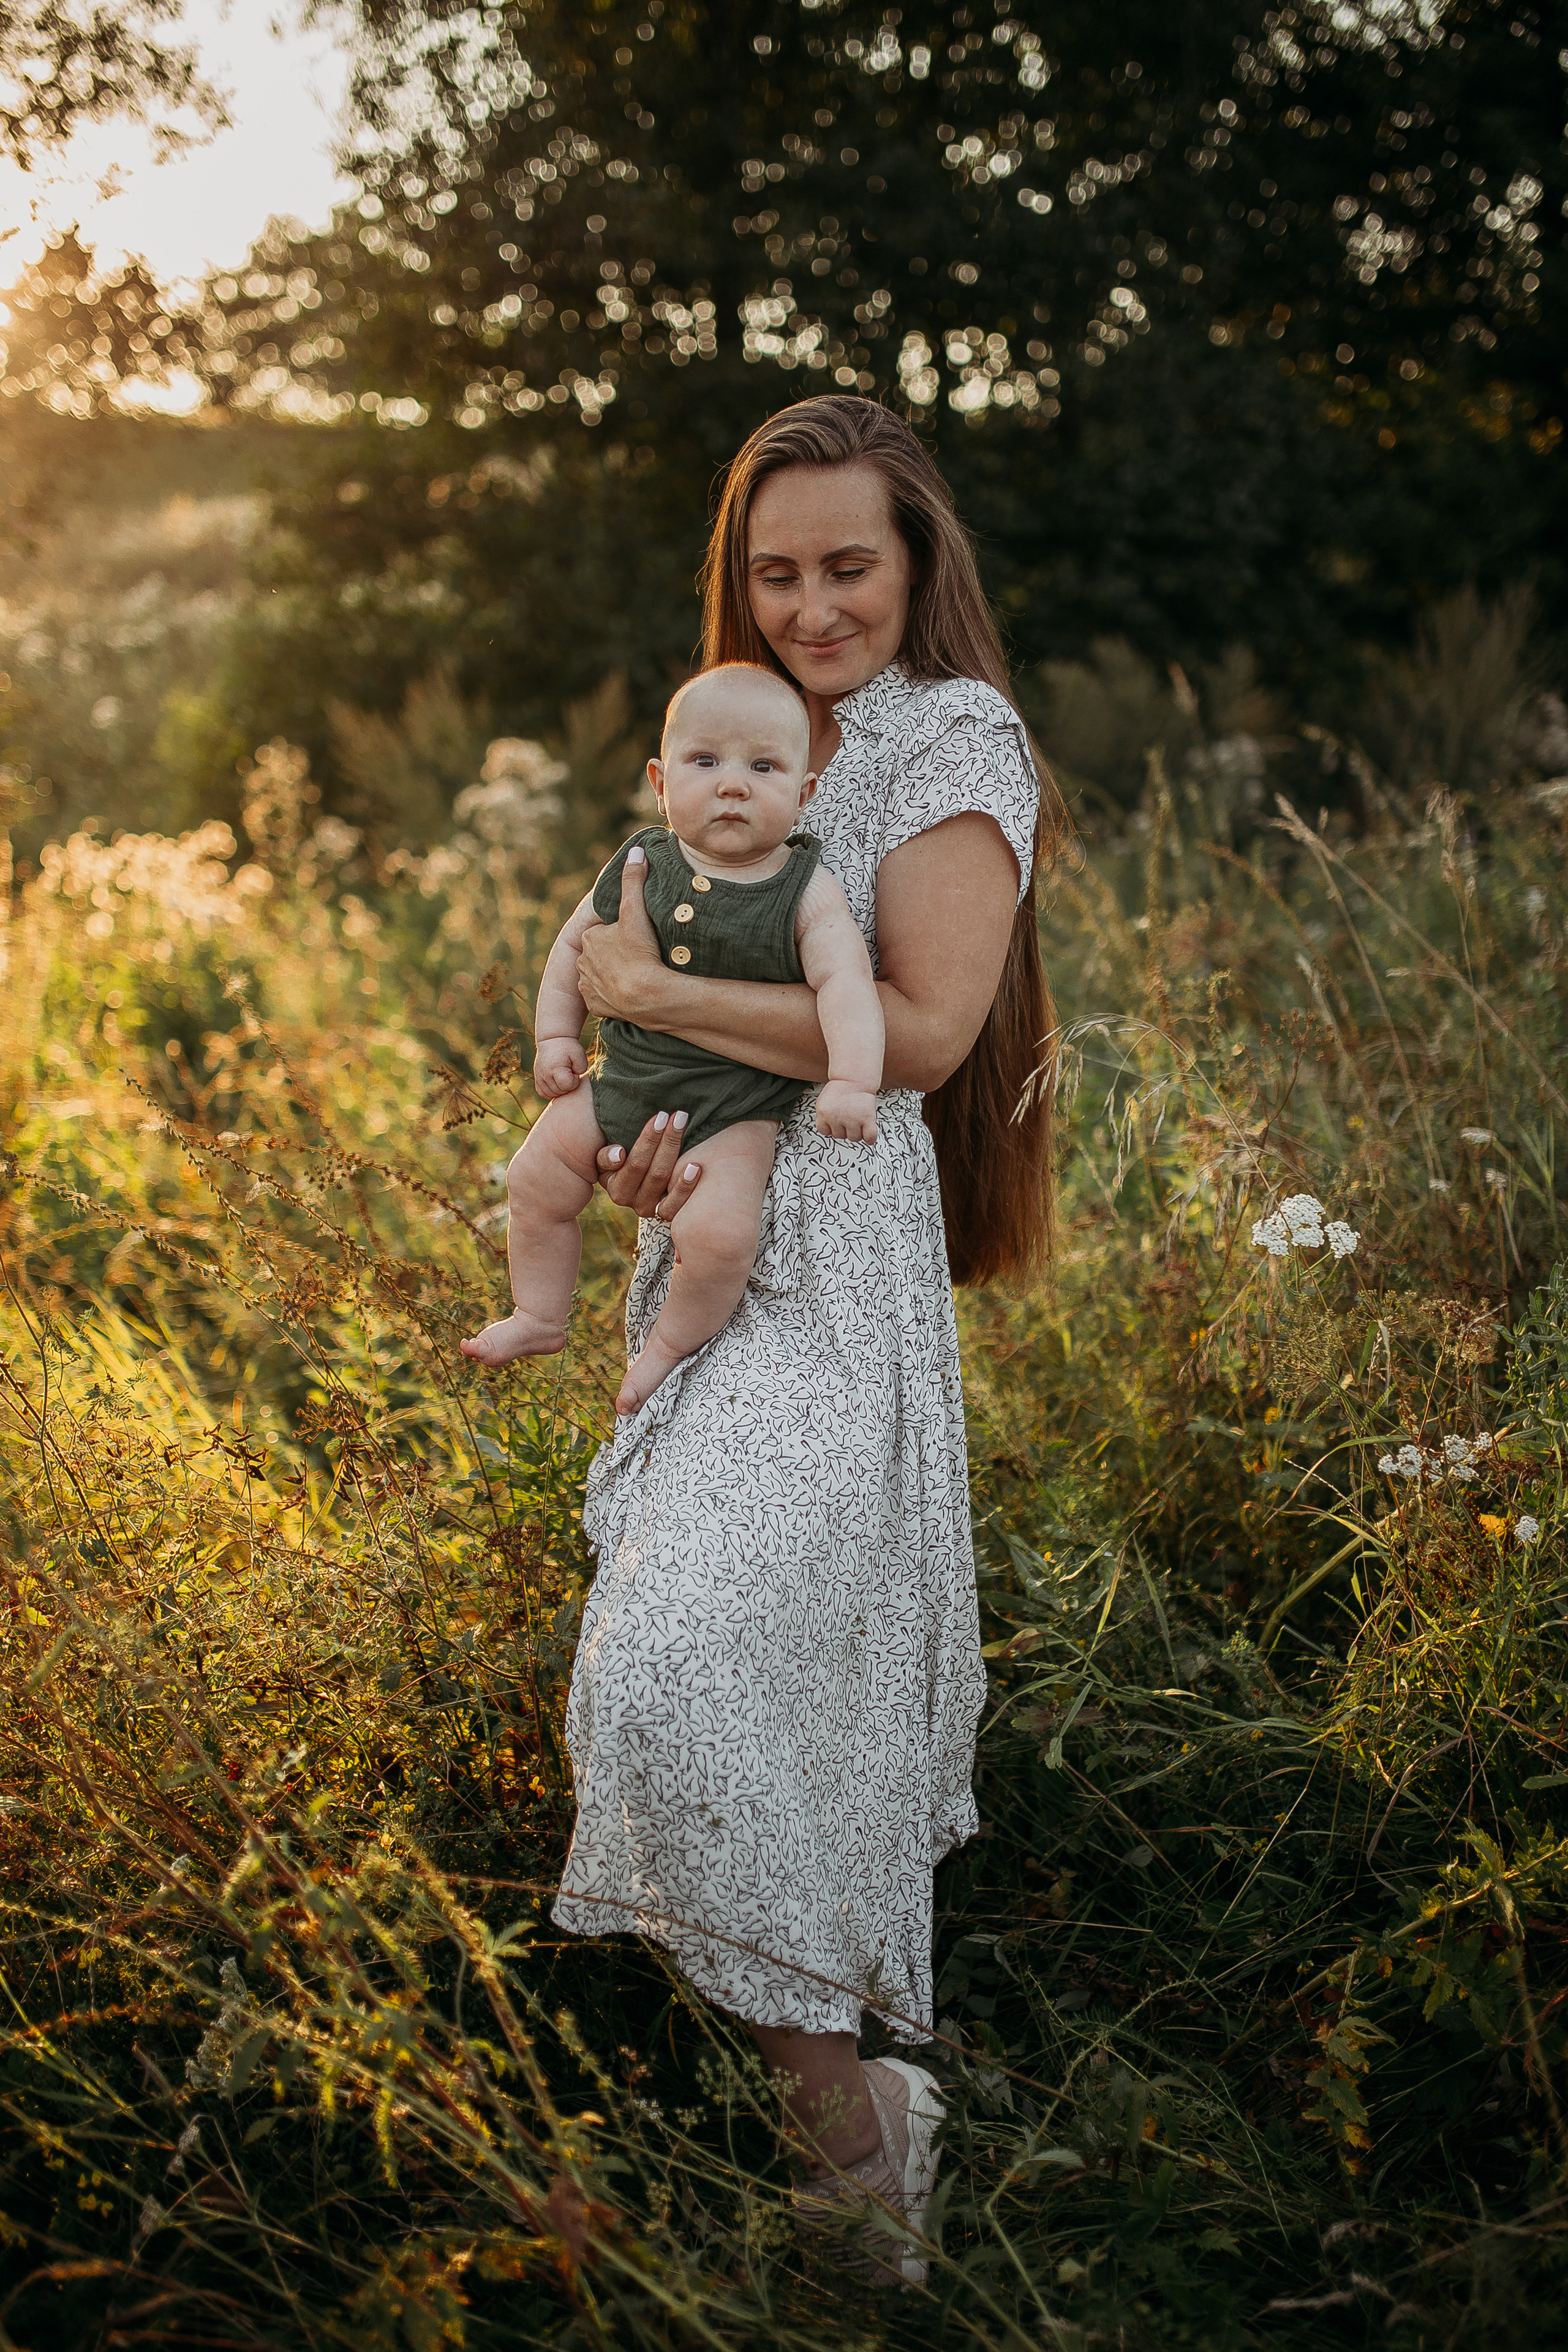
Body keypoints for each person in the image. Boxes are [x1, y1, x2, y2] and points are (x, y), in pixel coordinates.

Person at [552, 395, 1069, 2285]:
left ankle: (849, 2140)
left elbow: (923, 1032)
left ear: (917, 556)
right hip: (712, 1248)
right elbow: (645, 1015)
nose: (811, 603)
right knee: (666, 1658)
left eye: (846, 563)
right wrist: (640, 1123)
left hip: (842, 1289)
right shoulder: (741, 733)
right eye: (774, 572)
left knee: (689, 1662)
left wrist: (647, 985)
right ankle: (852, 2113)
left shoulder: (950, 738)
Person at [461, 663, 883, 1415]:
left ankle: (664, 1352)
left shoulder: (804, 889)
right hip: (620, 1082)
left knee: (720, 1240)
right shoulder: (642, 862)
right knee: (532, 1182)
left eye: (763, 766)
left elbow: (846, 985)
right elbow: (574, 949)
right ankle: (538, 1316)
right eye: (705, 762)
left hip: (733, 1112)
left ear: (804, 793)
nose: (732, 785)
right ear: (660, 781)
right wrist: (556, 1035)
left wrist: (850, 1081)